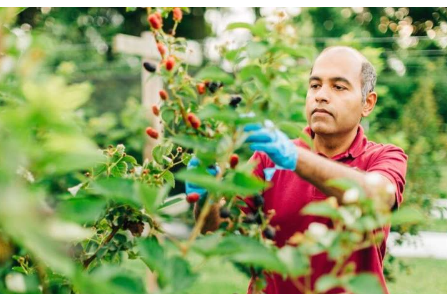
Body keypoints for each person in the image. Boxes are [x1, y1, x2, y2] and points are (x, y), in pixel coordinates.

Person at [186, 46, 408, 294]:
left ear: (367, 103)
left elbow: (379, 196)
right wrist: (206, 197)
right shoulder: (268, 159)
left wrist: (294, 158)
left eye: (339, 87)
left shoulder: (384, 157)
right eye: (314, 85)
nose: (321, 95)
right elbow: (214, 228)